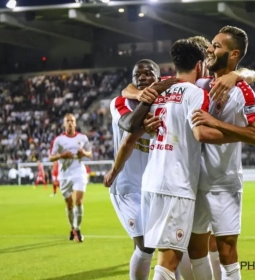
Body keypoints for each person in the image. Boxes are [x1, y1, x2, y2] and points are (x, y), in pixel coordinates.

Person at [121, 35, 255, 280]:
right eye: (207, 53)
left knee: (183, 253)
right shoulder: (196, 91)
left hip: (153, 182)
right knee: (171, 259)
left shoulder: (162, 87)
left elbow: (130, 97)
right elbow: (201, 132)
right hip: (178, 184)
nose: (210, 56)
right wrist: (242, 134)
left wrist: (237, 74)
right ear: (199, 65)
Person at [190, 26, 255, 280]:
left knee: (226, 250)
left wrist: (215, 122)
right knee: (195, 249)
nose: (210, 49)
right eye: (211, 44)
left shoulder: (243, 91)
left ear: (234, 54)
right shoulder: (200, 85)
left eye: (217, 46)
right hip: (192, 182)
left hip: (224, 182)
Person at [104, 59, 175, 280]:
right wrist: (143, 112)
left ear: (158, 76)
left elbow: (177, 80)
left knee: (167, 245)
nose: (142, 77)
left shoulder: (166, 102)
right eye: (137, 74)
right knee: (145, 246)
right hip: (127, 186)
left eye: (148, 73)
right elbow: (129, 125)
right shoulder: (120, 102)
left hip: (153, 185)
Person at [49, 113, 92, 242]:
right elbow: (51, 157)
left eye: (72, 121)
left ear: (75, 123)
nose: (70, 123)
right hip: (64, 175)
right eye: (67, 121)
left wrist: (83, 153)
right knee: (69, 204)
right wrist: (62, 155)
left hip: (79, 171)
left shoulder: (82, 138)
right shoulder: (58, 140)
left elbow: (90, 153)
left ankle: (77, 228)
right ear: (64, 124)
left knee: (78, 201)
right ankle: (72, 227)